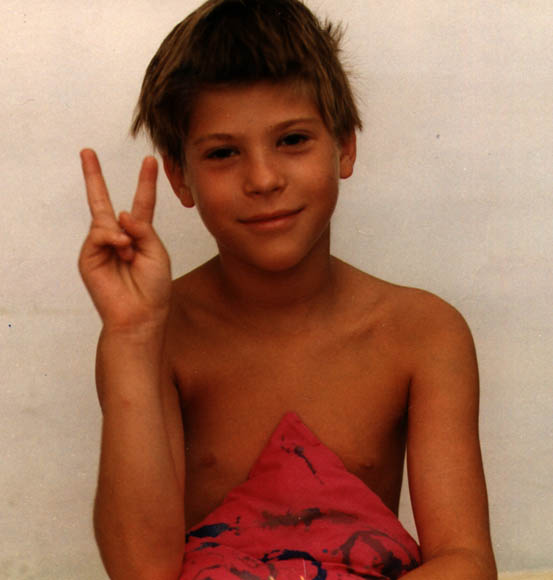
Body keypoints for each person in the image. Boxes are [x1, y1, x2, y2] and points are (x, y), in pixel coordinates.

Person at [78, 0, 497, 578]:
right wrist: (130, 336)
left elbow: (466, 561)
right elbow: (141, 571)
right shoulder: (155, 336)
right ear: (180, 178)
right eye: (223, 153)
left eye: (293, 140)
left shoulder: (423, 333)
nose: (264, 179)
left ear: (344, 145)